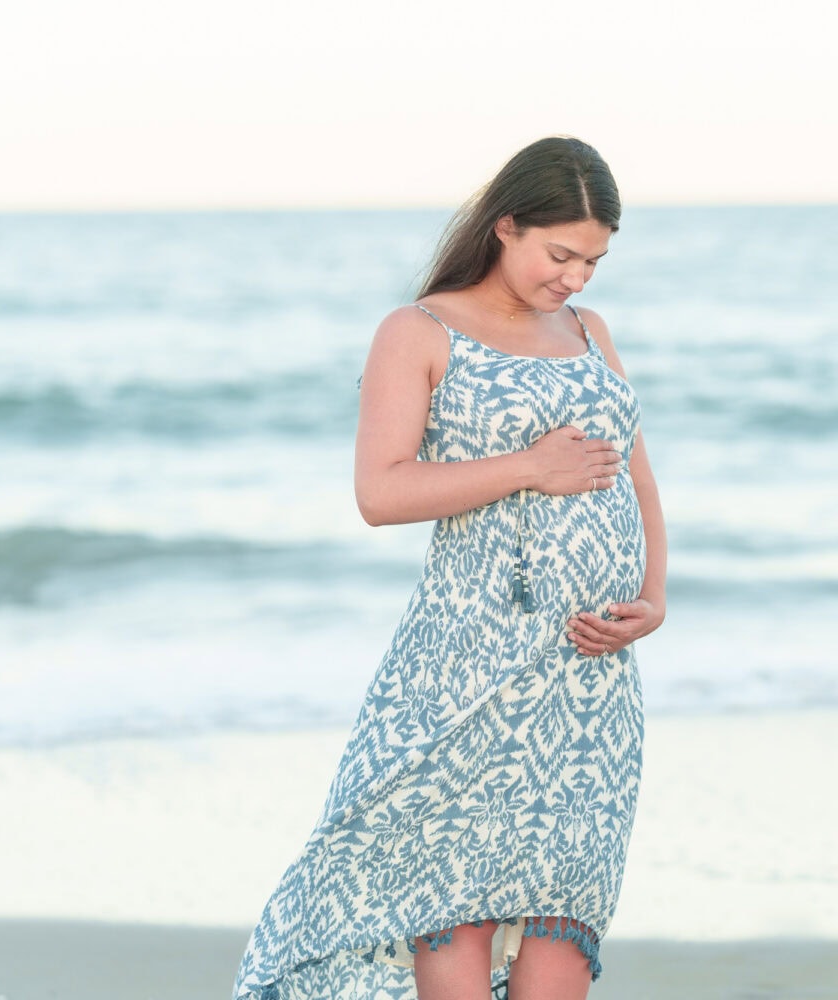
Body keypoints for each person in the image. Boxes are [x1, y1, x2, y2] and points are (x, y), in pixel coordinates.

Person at [232, 136, 667, 1000]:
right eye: (560, 254)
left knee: (565, 912)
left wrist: (652, 595)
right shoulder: (418, 330)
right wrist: (529, 467)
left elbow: (639, 476)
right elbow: (380, 492)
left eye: (594, 260)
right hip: (465, 663)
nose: (577, 277)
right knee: (454, 902)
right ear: (505, 226)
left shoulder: (590, 333)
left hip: (588, 680)